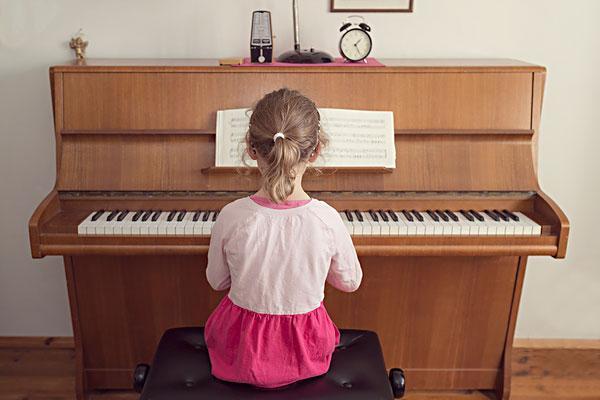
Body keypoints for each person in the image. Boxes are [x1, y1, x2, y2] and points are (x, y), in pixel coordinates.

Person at [204, 88, 362, 388]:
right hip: (305, 354)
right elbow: (350, 283)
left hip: (241, 353)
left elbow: (216, 281)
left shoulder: (232, 215)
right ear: (315, 151)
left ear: (252, 150)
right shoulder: (326, 218)